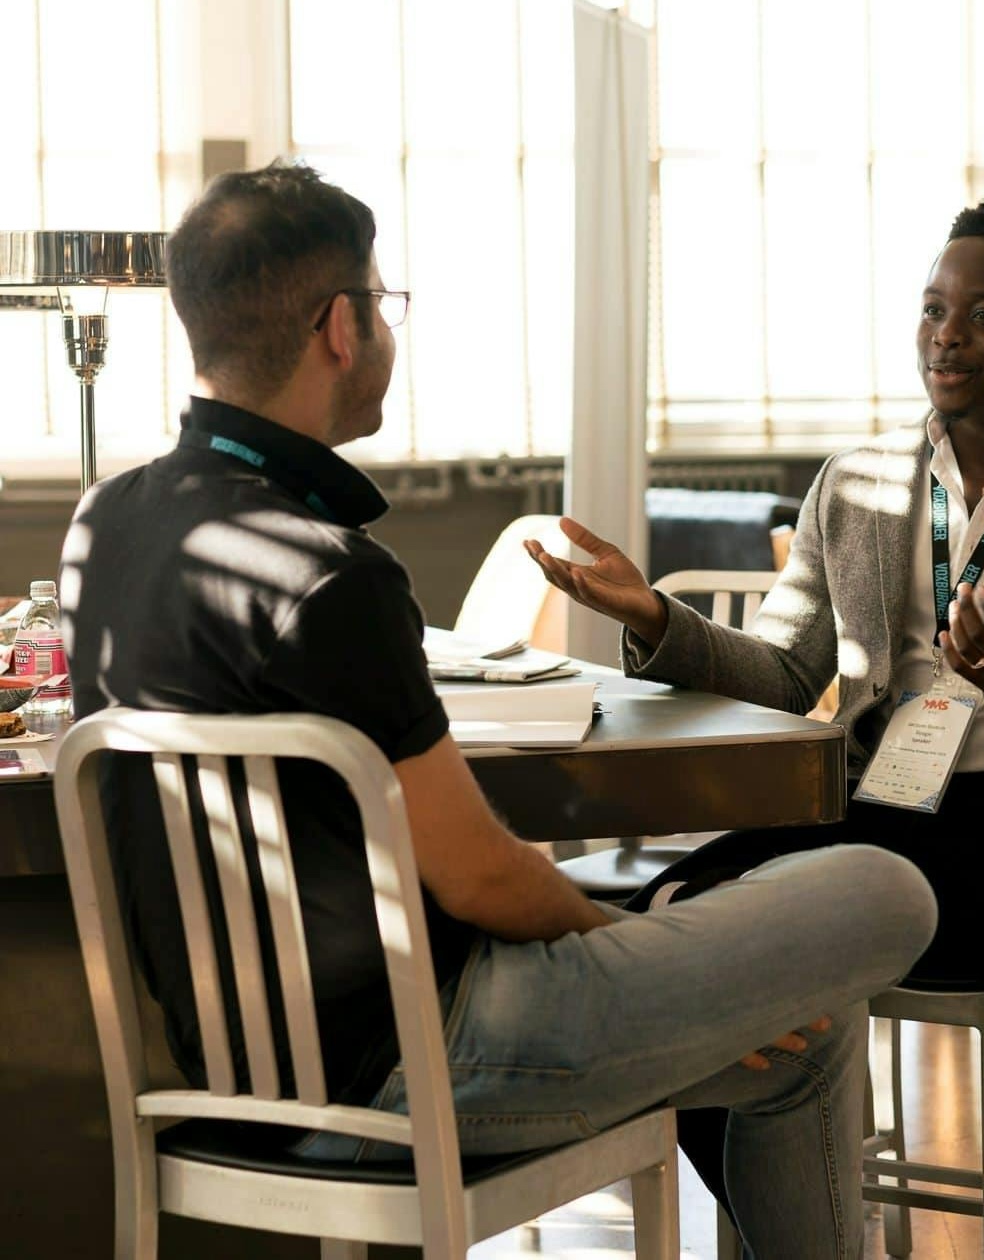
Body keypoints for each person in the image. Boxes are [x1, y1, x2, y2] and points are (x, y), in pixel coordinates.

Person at [58, 161, 937, 1259]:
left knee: (804, 1035)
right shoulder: (335, 575)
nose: (385, 330)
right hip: (426, 1064)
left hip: (226, 1079)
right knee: (882, 885)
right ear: (341, 325)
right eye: (383, 304)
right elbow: (474, 873)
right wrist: (631, 941)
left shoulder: (107, 523)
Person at [527, 198, 984, 1259]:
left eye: (983, 315)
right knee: (690, 909)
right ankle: (782, 1224)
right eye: (933, 309)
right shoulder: (852, 483)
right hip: (885, 801)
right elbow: (788, 670)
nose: (946, 335)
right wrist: (658, 619)